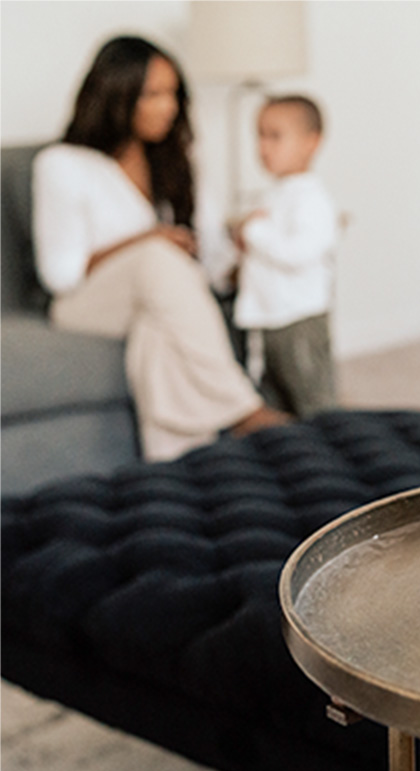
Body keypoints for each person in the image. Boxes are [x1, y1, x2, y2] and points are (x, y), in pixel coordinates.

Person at [32, 35, 290, 462]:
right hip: (85, 303)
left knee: (158, 332)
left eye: (172, 94)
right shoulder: (61, 164)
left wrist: (244, 253)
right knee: (157, 258)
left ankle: (183, 466)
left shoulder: (177, 159)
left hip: (159, 296)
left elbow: (207, 261)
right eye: (153, 94)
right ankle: (245, 409)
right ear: (118, 94)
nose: (167, 106)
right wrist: (146, 239)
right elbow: (60, 274)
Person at [232, 95, 340, 418]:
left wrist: (253, 232)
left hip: (299, 319)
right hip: (269, 319)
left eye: (275, 136)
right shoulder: (276, 193)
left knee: (314, 400)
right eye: (259, 135)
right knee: (274, 400)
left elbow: (298, 253)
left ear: (311, 143)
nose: (263, 146)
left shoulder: (312, 198)